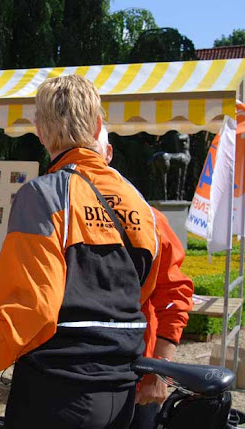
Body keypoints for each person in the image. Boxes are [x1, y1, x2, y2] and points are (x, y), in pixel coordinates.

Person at [0, 74, 162, 428]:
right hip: (120, 393)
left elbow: (29, 316)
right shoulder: (139, 203)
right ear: (97, 126)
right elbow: (137, 294)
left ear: (40, 132)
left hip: (57, 391)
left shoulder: (44, 196)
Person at [97, 126, 194, 429]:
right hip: (77, 376)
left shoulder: (150, 219)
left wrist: (159, 370)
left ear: (108, 154)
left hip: (136, 376)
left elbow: (175, 294)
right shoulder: (57, 214)